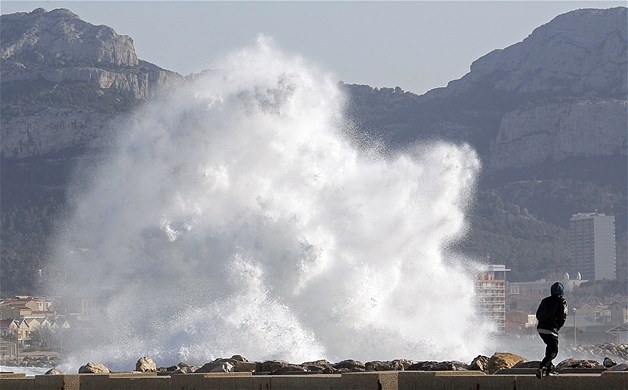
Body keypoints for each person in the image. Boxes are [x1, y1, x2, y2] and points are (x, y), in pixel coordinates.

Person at [535, 281, 568, 378]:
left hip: (541, 328)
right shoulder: (562, 301)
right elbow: (563, 316)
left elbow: (538, 314)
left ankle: (549, 370)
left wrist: (542, 322)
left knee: (549, 347)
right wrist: (557, 327)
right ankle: (542, 366)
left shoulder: (544, 300)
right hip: (551, 330)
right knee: (554, 350)